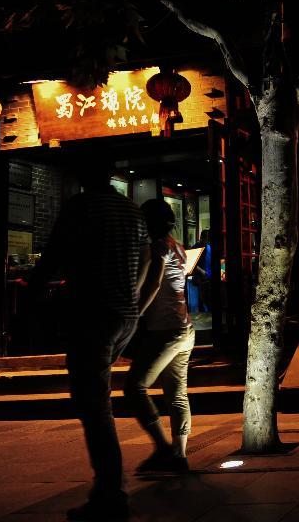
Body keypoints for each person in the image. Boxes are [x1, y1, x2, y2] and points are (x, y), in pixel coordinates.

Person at [27, 159, 151, 522]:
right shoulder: (132, 210)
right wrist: (132, 300)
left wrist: (32, 294)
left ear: (84, 176)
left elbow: (53, 256)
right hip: (124, 314)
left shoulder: (81, 207)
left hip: (94, 313)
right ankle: (109, 490)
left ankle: (111, 494)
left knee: (93, 406)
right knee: (97, 399)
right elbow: (144, 259)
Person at [124, 199, 194, 474]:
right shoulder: (178, 247)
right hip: (184, 329)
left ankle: (162, 448)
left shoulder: (158, 248)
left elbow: (152, 284)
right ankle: (180, 456)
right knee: (177, 395)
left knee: (135, 387)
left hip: (165, 331)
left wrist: (134, 316)